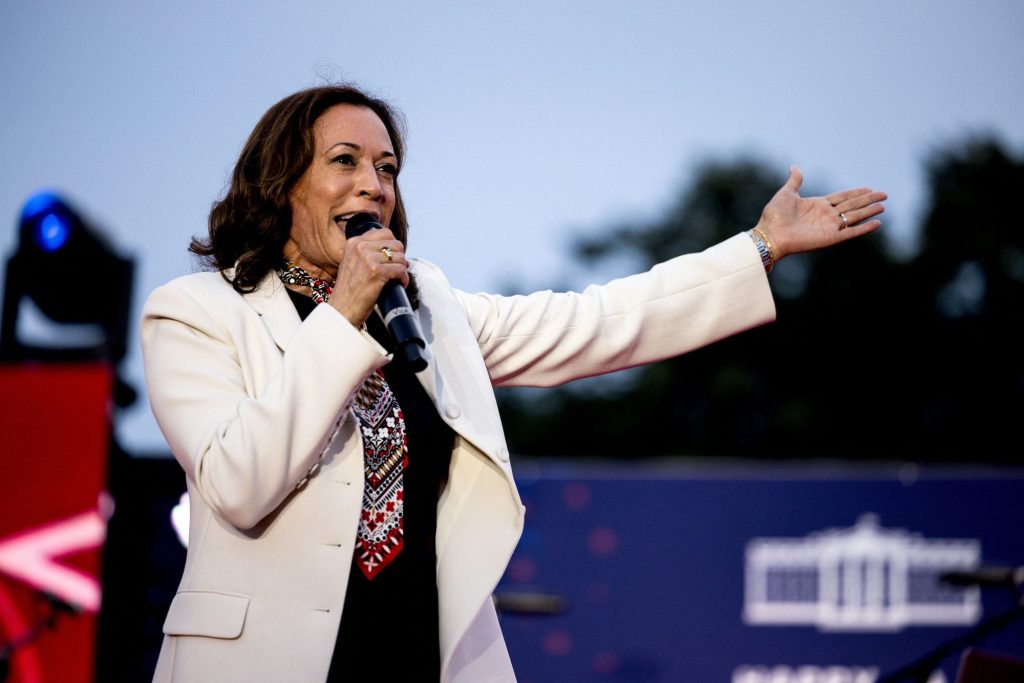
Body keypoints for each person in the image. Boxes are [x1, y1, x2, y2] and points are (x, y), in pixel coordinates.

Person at [140, 83, 886, 683]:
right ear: (282, 182)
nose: (374, 186)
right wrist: (342, 313)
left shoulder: (425, 308)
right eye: (346, 161)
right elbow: (240, 480)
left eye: (388, 168)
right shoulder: (197, 313)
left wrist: (758, 248)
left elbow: (595, 320)